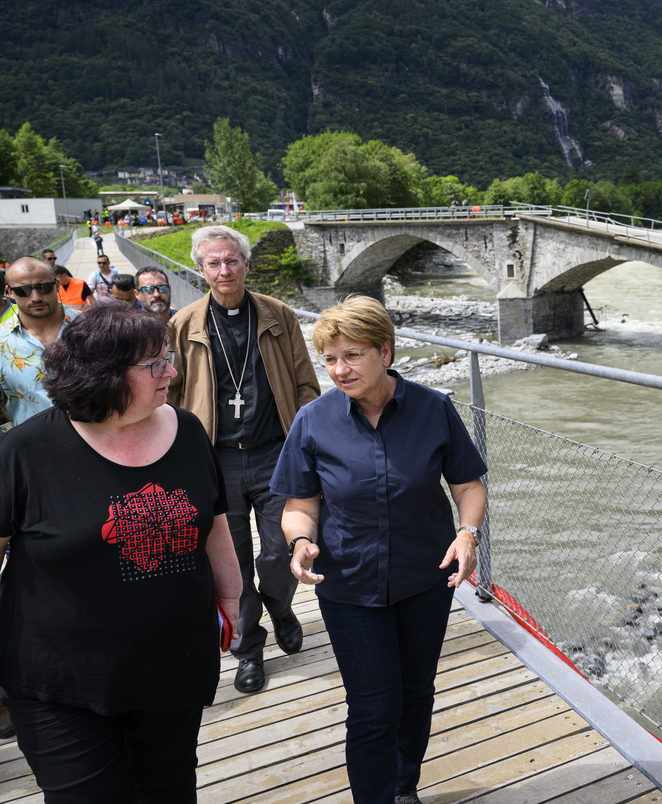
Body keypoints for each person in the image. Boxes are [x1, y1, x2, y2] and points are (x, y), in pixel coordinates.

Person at [0, 304, 242, 802]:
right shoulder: (25, 452)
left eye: (168, 357)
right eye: (155, 364)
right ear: (103, 376)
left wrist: (232, 598)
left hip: (172, 670)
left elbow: (213, 520)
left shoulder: (188, 430)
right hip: (62, 680)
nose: (171, 371)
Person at [271, 296, 486, 804]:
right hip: (348, 583)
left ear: (385, 352)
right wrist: (301, 540)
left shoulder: (434, 409)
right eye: (329, 358)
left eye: (351, 355)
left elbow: (468, 485)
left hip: (424, 579)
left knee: (415, 696)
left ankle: (403, 788)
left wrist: (467, 533)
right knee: (372, 706)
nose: (339, 370)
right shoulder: (312, 420)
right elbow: (299, 505)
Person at [168, 225, 320, 694]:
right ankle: (248, 649)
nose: (223, 270)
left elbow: (305, 384)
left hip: (276, 452)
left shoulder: (278, 315)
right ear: (200, 269)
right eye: (213, 263)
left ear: (246, 264)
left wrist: (308, 440)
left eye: (231, 260)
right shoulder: (184, 324)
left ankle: (281, 605)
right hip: (215, 459)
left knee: (280, 551)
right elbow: (170, 395)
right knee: (231, 562)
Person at [0, 258, 80, 429]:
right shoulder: (1, 340)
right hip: (30, 447)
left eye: (43, 287)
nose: (35, 297)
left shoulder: (92, 327)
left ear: (57, 284)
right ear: (9, 292)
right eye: (23, 291)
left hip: (97, 442)